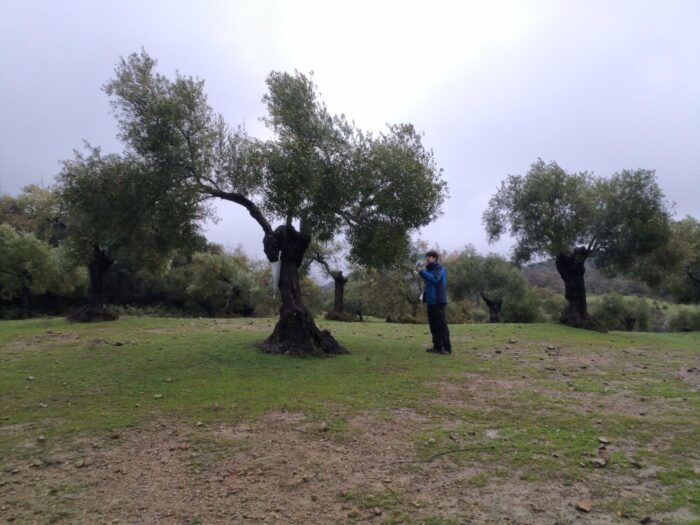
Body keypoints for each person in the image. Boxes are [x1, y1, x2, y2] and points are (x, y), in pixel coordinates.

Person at [416, 250, 452, 355]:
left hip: (439, 301)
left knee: (441, 326)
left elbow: (435, 279)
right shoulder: (429, 269)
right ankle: (437, 347)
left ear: (434, 258)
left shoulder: (439, 268)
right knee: (433, 326)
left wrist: (421, 272)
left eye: (429, 257)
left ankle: (447, 348)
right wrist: (421, 272)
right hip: (430, 302)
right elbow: (428, 282)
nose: (427, 259)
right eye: (427, 257)